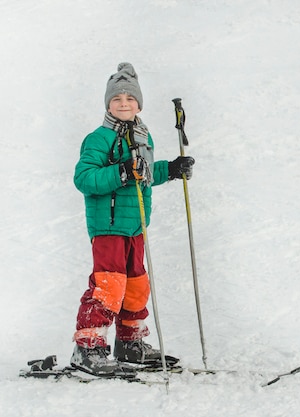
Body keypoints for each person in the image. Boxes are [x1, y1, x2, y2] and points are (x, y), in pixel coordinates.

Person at [70, 62, 195, 376]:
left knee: (137, 285)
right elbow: (84, 178)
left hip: (135, 224)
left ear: (139, 104)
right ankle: (89, 345)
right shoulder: (98, 138)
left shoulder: (142, 136)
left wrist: (172, 169)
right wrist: (122, 171)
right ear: (108, 105)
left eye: (129, 99)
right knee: (109, 285)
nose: (123, 103)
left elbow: (145, 176)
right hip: (108, 224)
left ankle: (130, 343)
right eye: (117, 99)